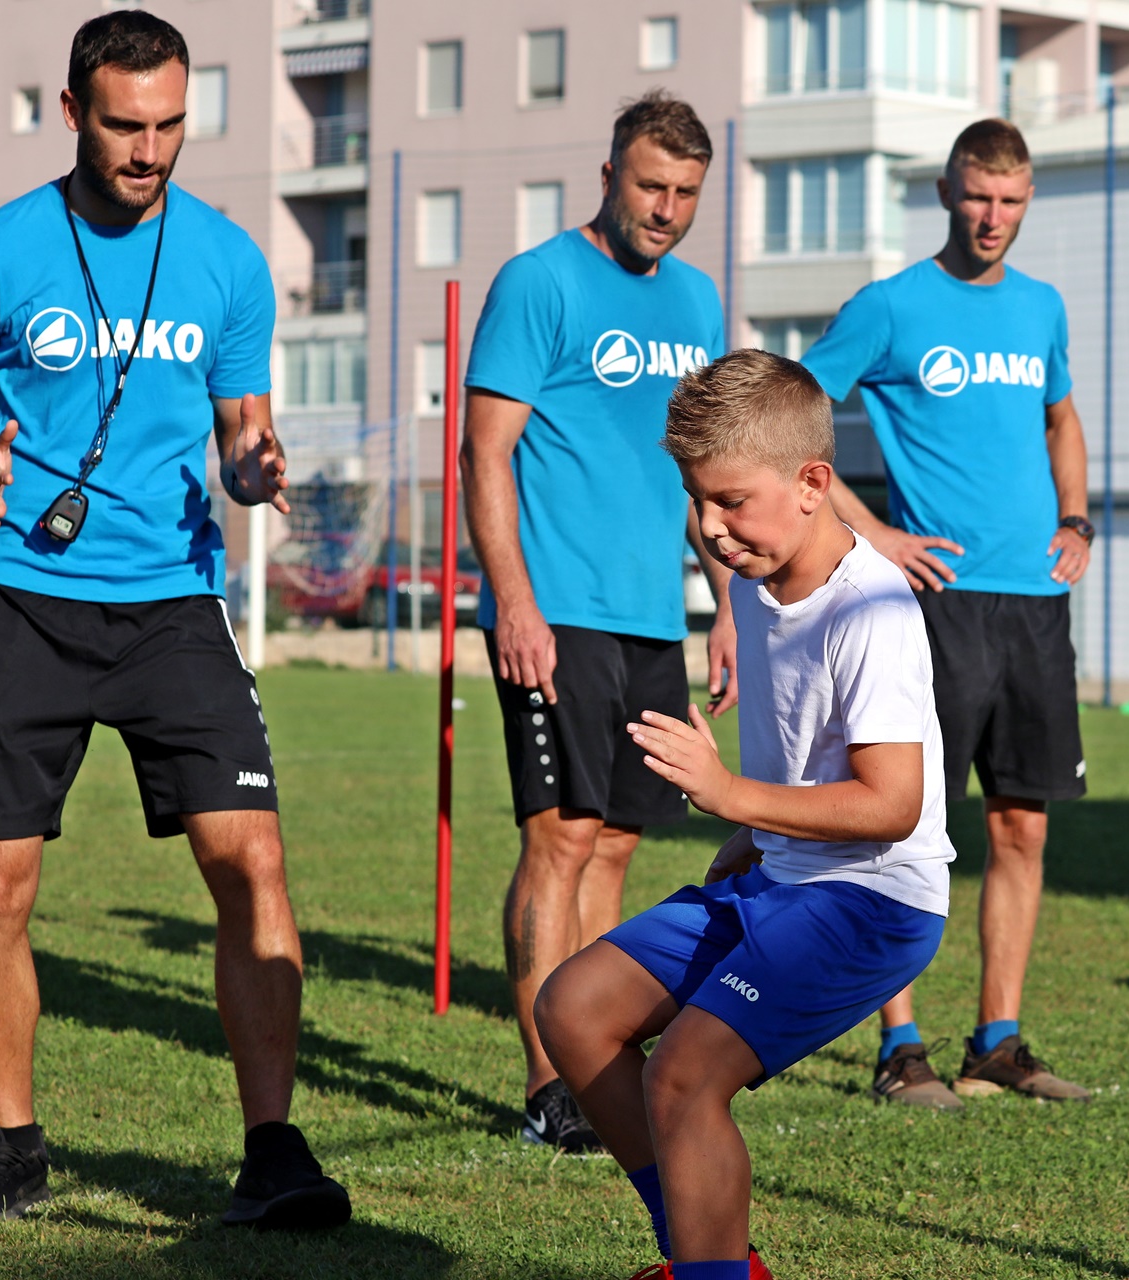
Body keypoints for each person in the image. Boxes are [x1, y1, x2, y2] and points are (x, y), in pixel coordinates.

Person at [0, 11, 350, 1228]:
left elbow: (243, 422)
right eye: (125, 125)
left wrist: (254, 465)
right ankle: (12, 1141)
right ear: (74, 115)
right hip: (25, 604)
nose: (150, 149)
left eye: (170, 124)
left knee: (250, 859)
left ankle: (272, 1148)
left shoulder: (229, 259)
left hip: (175, 602)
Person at [535, 349, 954, 1280]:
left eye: (732, 502)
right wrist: (751, 830)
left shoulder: (872, 613)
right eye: (697, 502)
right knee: (573, 1009)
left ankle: (709, 1269)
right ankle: (701, 1254)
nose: (713, 531)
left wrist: (730, 795)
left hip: (873, 900)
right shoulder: (759, 578)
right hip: (781, 873)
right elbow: (816, 756)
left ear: (815, 484)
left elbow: (895, 805)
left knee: (684, 1075)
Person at [461, 89, 735, 1152]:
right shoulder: (539, 282)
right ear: (610, 173)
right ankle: (549, 1085)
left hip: (648, 615)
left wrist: (723, 604)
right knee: (561, 835)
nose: (664, 209)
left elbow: (700, 473)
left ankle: (598, 1050)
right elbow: (486, 453)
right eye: (650, 185)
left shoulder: (698, 302)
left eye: (684, 194)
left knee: (619, 836)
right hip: (555, 607)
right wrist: (516, 602)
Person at [801, 117, 1094, 1108]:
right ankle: (902, 1043)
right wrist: (872, 533)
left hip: (1035, 604)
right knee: (906, 822)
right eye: (978, 196)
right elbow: (794, 419)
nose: (993, 217)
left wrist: (1078, 517)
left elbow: (1061, 415)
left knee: (1021, 824)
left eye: (1011, 201)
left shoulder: (1043, 307)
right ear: (945, 191)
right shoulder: (890, 306)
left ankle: (999, 1038)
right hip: (936, 603)